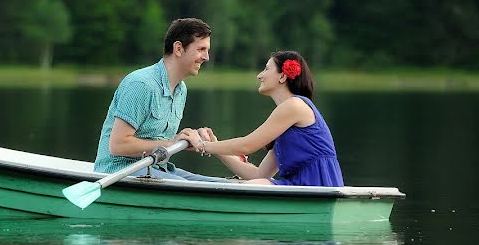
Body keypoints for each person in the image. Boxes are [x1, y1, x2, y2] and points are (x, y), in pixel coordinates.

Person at [93, 17, 228, 182]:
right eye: (201, 49)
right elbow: (118, 145)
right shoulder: (141, 84)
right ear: (178, 48)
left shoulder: (181, 89)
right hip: (119, 172)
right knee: (189, 189)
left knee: (222, 184)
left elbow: (166, 143)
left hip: (158, 168)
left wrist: (190, 140)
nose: (206, 57)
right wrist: (171, 143)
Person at [181, 50, 344, 186]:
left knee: (245, 188)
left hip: (316, 185)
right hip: (301, 186)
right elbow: (258, 174)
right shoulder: (287, 116)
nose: (260, 75)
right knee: (250, 184)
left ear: (282, 76)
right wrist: (216, 147)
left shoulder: (294, 106)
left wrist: (202, 145)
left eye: (266, 69)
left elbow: (247, 145)